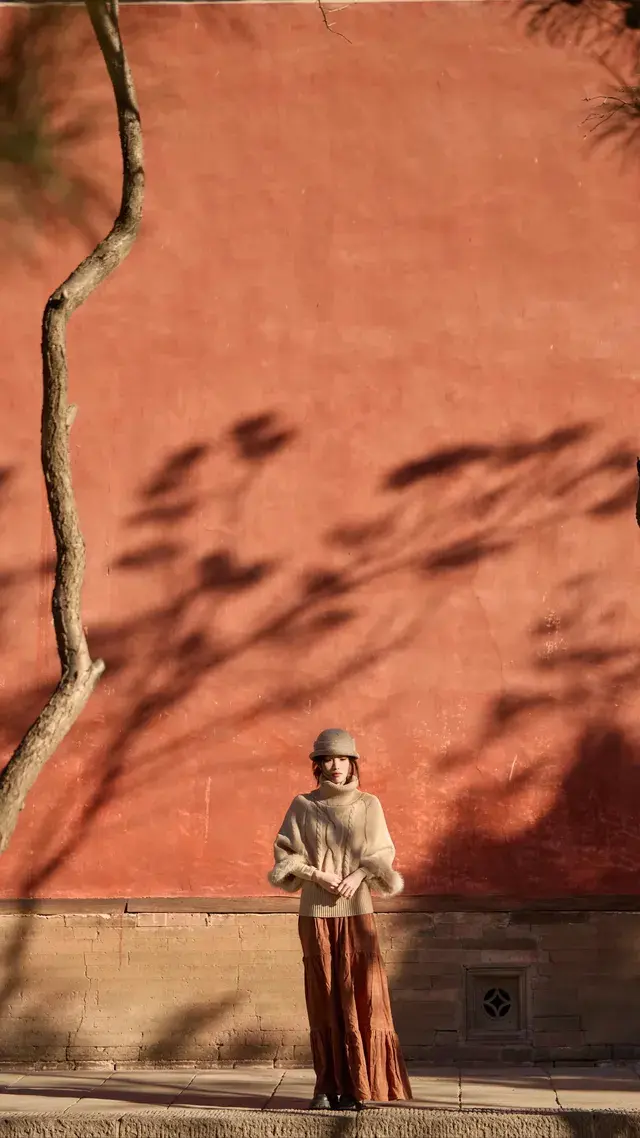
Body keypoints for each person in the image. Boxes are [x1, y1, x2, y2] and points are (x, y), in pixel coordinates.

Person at [268, 728, 412, 1111]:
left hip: (358, 911)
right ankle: (325, 1086)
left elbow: (382, 852)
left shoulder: (369, 805)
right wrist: (318, 875)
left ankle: (357, 1087)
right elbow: (285, 856)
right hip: (315, 912)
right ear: (318, 765)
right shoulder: (302, 805)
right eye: (327, 759)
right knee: (324, 996)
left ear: (353, 763)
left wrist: (359, 875)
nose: (335, 767)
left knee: (362, 994)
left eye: (342, 759)